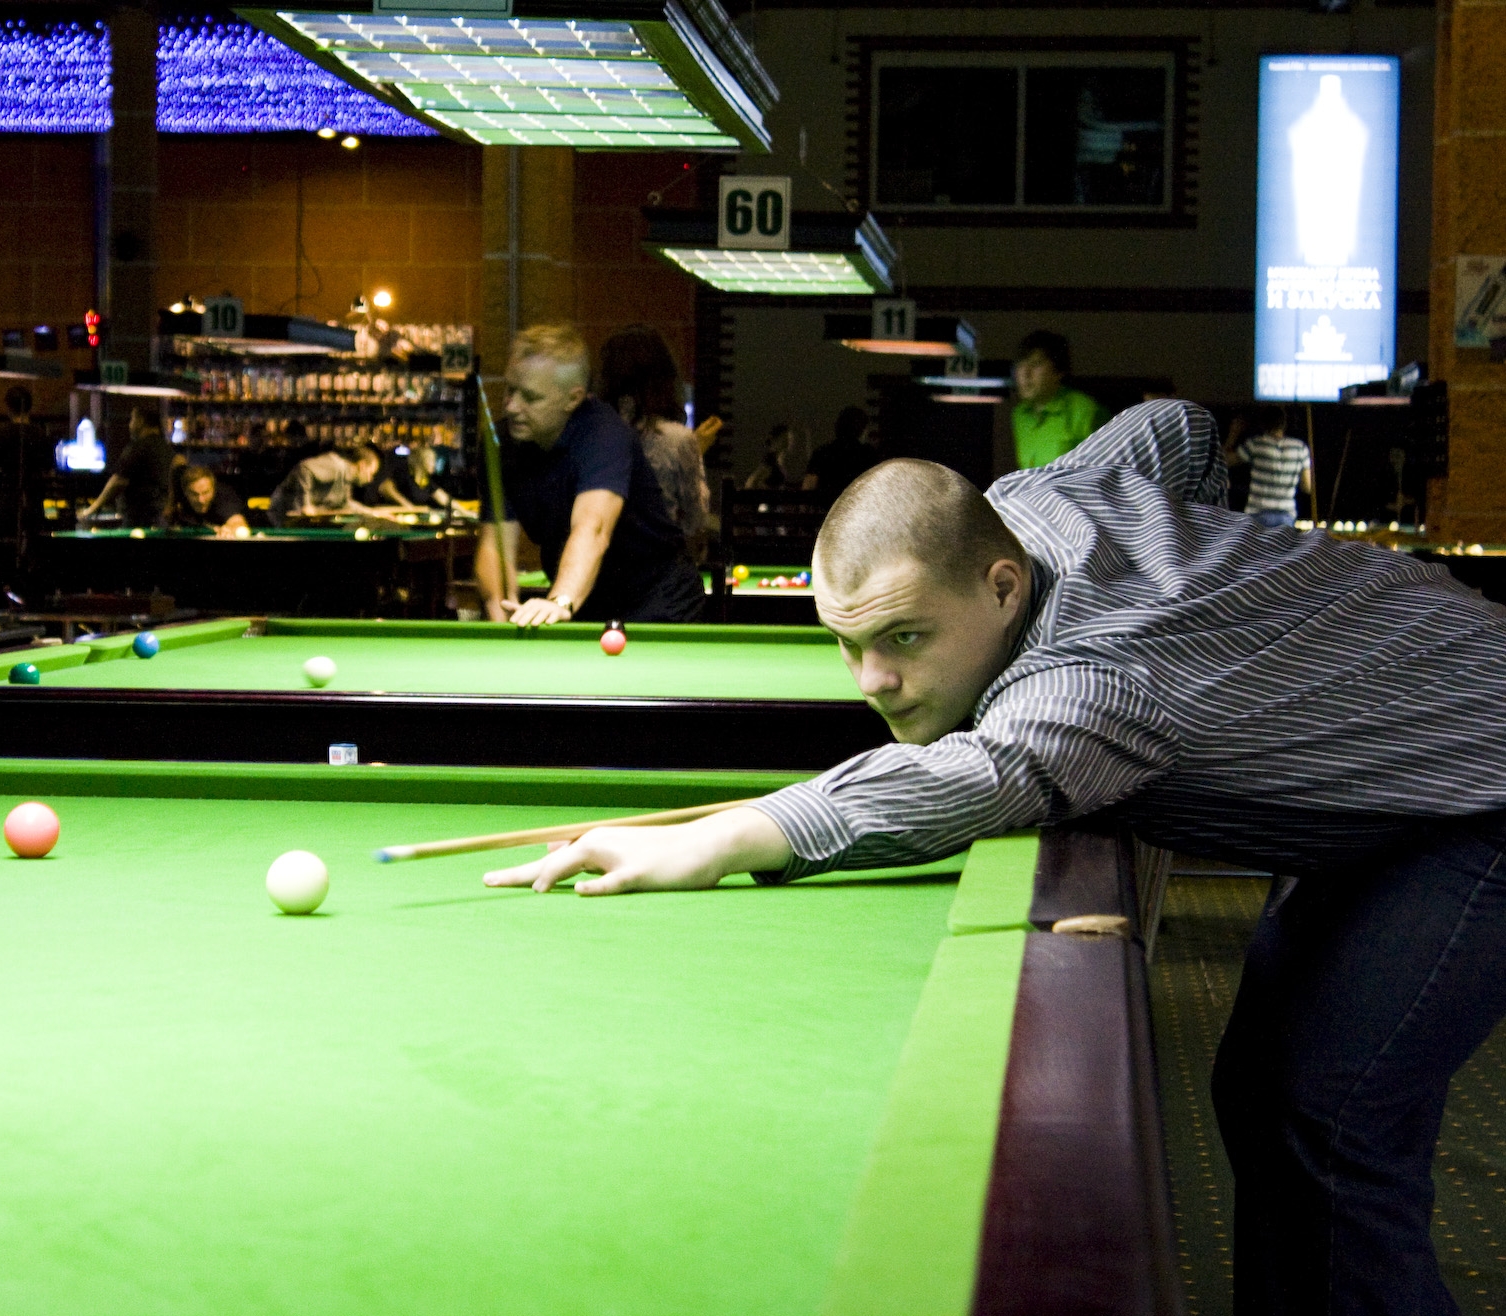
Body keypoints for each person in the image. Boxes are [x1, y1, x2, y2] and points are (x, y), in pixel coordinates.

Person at [483, 397, 1506, 1316]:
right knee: (1265, 1090)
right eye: (845, 642)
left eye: (904, 637)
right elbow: (1175, 426)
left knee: (1327, 1117)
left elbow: (980, 773)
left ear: (1002, 583)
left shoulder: (1091, 683)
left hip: (1482, 788)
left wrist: (722, 837)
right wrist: (1223, 597)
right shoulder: (1034, 500)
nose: (871, 681)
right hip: (1409, 769)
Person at [474, 324, 701, 626]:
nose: (512, 407)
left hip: (658, 598)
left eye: (530, 397)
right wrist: (497, 602)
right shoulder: (500, 443)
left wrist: (561, 600)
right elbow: (495, 543)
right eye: (510, 390)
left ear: (573, 398)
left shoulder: (605, 436)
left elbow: (592, 528)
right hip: (587, 599)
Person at [596, 325, 709, 554]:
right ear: (663, 377)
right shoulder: (678, 439)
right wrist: (696, 451)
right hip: (659, 565)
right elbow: (694, 522)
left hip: (602, 563)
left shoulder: (591, 435)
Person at [1010, 330, 1108, 469]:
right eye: (1020, 365)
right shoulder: (1019, 415)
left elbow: (1105, 468)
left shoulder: (1086, 411)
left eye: (1035, 364)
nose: (1025, 373)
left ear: (1058, 371)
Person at [0, 385, 55, 546]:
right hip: (34, 502)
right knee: (34, 545)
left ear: (8, 407)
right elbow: (49, 473)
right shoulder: (41, 435)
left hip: (5, 503)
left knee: (6, 545)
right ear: (30, 406)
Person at [80, 408, 172, 529]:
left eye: (132, 419)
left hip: (138, 518)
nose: (129, 425)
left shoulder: (138, 447)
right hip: (162, 518)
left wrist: (92, 509)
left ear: (140, 421)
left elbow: (118, 481)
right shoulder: (167, 448)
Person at [1226, 403, 1313, 529]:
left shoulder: (1256, 444)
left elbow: (1226, 461)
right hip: (1286, 515)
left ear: (1263, 424)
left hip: (1258, 513)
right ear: (1284, 424)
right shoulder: (1300, 448)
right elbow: (1307, 487)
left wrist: (1233, 435)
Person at [272, 446, 382, 518]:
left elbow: (346, 505)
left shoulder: (346, 482)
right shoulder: (337, 467)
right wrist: (305, 504)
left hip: (294, 519)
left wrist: (372, 513)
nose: (370, 479)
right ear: (362, 465)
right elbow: (304, 468)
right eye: (371, 473)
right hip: (281, 514)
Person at [803, 406, 879, 505]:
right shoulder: (868, 455)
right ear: (862, 429)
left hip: (826, 509)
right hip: (858, 508)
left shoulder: (822, 453)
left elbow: (808, 488)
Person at [170, 464, 250, 537]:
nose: (201, 500)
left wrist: (232, 528)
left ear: (213, 489)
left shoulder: (225, 497)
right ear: (185, 492)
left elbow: (237, 521)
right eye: (194, 494)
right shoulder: (178, 499)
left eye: (205, 492)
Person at [743, 423, 804, 490]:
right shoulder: (770, 461)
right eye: (785, 439)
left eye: (790, 439)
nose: (789, 442)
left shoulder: (779, 460)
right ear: (775, 439)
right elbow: (751, 482)